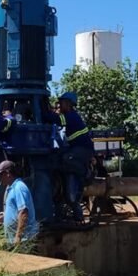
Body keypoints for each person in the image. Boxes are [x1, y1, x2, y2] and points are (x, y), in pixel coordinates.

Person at [56, 92, 94, 222]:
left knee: (67, 159)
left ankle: (86, 173)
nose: (59, 105)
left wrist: (43, 113)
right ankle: (75, 215)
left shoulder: (71, 116)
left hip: (83, 150)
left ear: (68, 104)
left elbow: (55, 119)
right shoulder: (67, 116)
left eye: (61, 102)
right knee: (70, 192)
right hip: (76, 150)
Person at [0, 160, 37, 246]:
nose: (0, 178)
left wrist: (18, 236)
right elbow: (15, 212)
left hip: (24, 240)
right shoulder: (12, 188)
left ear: (8, 173)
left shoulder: (19, 187)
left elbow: (23, 212)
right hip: (15, 240)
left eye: (1, 175)